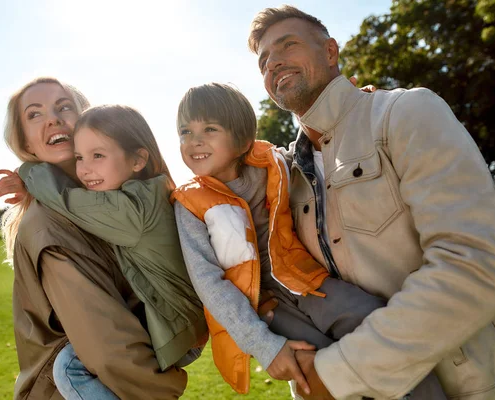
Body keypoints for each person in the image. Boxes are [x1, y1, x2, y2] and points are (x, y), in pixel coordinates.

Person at [248, 5, 495, 399]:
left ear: (331, 52)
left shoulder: (406, 113)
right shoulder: (284, 177)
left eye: (288, 45)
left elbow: (476, 263)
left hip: (466, 387)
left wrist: (338, 373)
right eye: (264, 60)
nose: (274, 62)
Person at [171, 82, 445, 400]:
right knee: (318, 372)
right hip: (267, 307)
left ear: (242, 139)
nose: (194, 141)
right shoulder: (188, 203)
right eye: (184, 132)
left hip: (307, 281)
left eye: (209, 129)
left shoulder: (275, 164)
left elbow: (318, 151)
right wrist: (263, 344)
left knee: (378, 327)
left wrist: (353, 109)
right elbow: (209, 284)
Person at [0, 77, 188, 400]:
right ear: (26, 144)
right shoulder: (49, 225)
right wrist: (163, 390)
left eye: (64, 107)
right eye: (35, 114)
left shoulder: (106, 203)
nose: (54, 119)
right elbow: (107, 346)